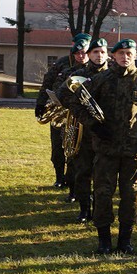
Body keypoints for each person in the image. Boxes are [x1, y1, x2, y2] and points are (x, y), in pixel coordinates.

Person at [74, 39, 137, 254]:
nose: (125, 57)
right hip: (105, 149)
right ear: (114, 55)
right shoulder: (101, 79)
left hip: (133, 151)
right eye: (121, 53)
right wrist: (94, 125)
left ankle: (125, 240)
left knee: (131, 195)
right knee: (103, 194)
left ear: (135, 54)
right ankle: (103, 240)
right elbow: (77, 103)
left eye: (129, 53)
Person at [55, 37, 110, 223]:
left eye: (102, 52)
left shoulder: (113, 75)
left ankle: (100, 209)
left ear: (107, 54)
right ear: (88, 55)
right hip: (83, 132)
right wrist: (78, 107)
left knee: (103, 175)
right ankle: (85, 209)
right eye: (95, 52)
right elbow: (62, 95)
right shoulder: (77, 74)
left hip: (104, 133)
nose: (99, 55)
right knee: (82, 172)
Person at [35, 33, 91, 190]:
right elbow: (48, 84)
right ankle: (60, 178)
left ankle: (73, 181)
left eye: (85, 51)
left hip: (80, 116)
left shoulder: (97, 67)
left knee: (76, 150)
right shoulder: (63, 65)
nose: (81, 55)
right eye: (77, 51)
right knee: (58, 148)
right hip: (60, 113)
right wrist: (40, 104)